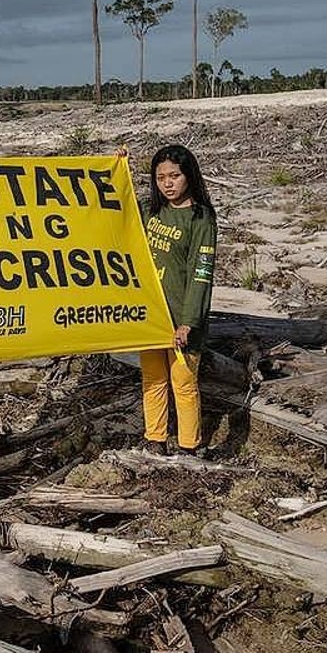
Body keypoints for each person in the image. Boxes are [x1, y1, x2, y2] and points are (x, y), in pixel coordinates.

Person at [138, 144, 217, 456]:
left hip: (183, 320)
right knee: (153, 379)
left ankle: (188, 447)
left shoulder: (201, 219)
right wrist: (117, 166)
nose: (167, 183)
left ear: (189, 176)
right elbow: (118, 207)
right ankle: (155, 440)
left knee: (183, 384)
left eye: (174, 176)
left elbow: (201, 275)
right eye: (160, 177)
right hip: (151, 316)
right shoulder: (152, 211)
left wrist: (188, 322)